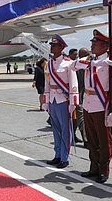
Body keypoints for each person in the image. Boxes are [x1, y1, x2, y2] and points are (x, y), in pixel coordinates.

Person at [72, 29, 112, 184]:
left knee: (104, 141)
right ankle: (93, 167)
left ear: (104, 46)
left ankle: (103, 170)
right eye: (92, 43)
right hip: (88, 104)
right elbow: (73, 66)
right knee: (91, 139)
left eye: (95, 43)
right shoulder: (90, 60)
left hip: (102, 105)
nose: (92, 46)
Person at [42, 35, 78, 169]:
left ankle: (64, 157)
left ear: (61, 47)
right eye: (51, 45)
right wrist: (45, 101)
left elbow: (74, 84)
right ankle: (57, 155)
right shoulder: (49, 63)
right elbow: (47, 83)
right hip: (52, 99)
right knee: (55, 129)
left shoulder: (68, 63)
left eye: (55, 45)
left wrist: (73, 102)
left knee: (65, 130)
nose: (52, 47)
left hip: (64, 99)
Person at [68, 48, 85, 143]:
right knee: (76, 118)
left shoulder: (81, 65)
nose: (77, 56)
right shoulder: (70, 65)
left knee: (76, 118)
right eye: (75, 54)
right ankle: (84, 139)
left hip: (81, 96)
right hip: (72, 96)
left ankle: (73, 136)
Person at [74, 47, 90, 146]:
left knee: (75, 118)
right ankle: (86, 140)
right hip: (79, 96)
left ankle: (71, 135)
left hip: (84, 96)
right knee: (82, 119)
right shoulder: (80, 66)